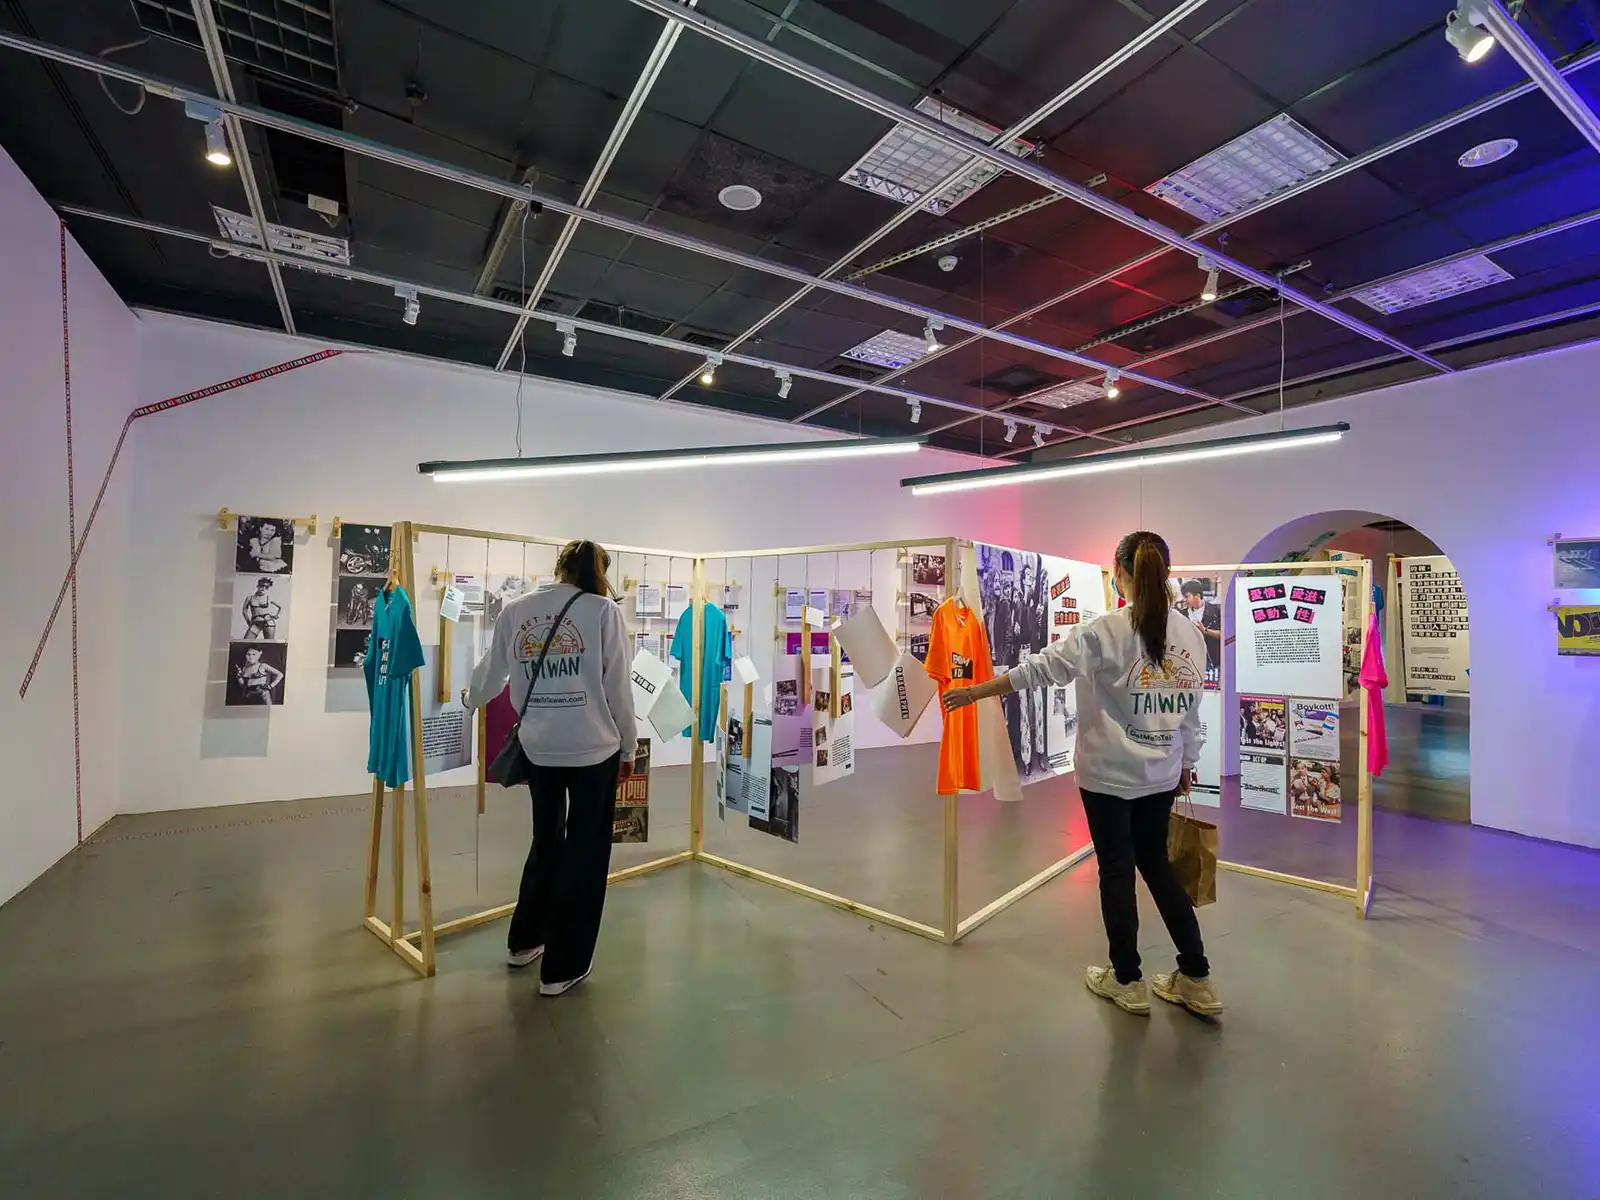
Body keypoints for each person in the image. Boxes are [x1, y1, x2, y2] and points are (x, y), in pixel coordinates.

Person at [944, 531, 1221, 1017]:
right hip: (1161, 774)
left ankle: (1128, 980)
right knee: (1156, 867)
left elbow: (1042, 669)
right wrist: (1188, 764)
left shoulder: (1105, 630)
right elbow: (1192, 714)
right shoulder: (1190, 636)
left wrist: (974, 692)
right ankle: (1197, 977)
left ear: (1120, 574)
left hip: (1108, 779)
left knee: (1117, 870)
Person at [462, 540, 636, 997]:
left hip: (539, 748)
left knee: (545, 840)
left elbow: (491, 673)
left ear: (558, 566)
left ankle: (525, 941)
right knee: (586, 851)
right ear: (599, 570)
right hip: (593, 749)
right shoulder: (602, 612)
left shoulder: (517, 611)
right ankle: (563, 967)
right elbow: (618, 686)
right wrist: (629, 745)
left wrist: (469, 700)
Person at [1176, 579, 1223, 679]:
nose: (1184, 600)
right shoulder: (1182, 614)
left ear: (1197, 596)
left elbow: (1224, 636)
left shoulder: (1216, 611)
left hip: (1213, 663)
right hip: (1189, 663)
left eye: (1187, 596)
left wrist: (1205, 630)